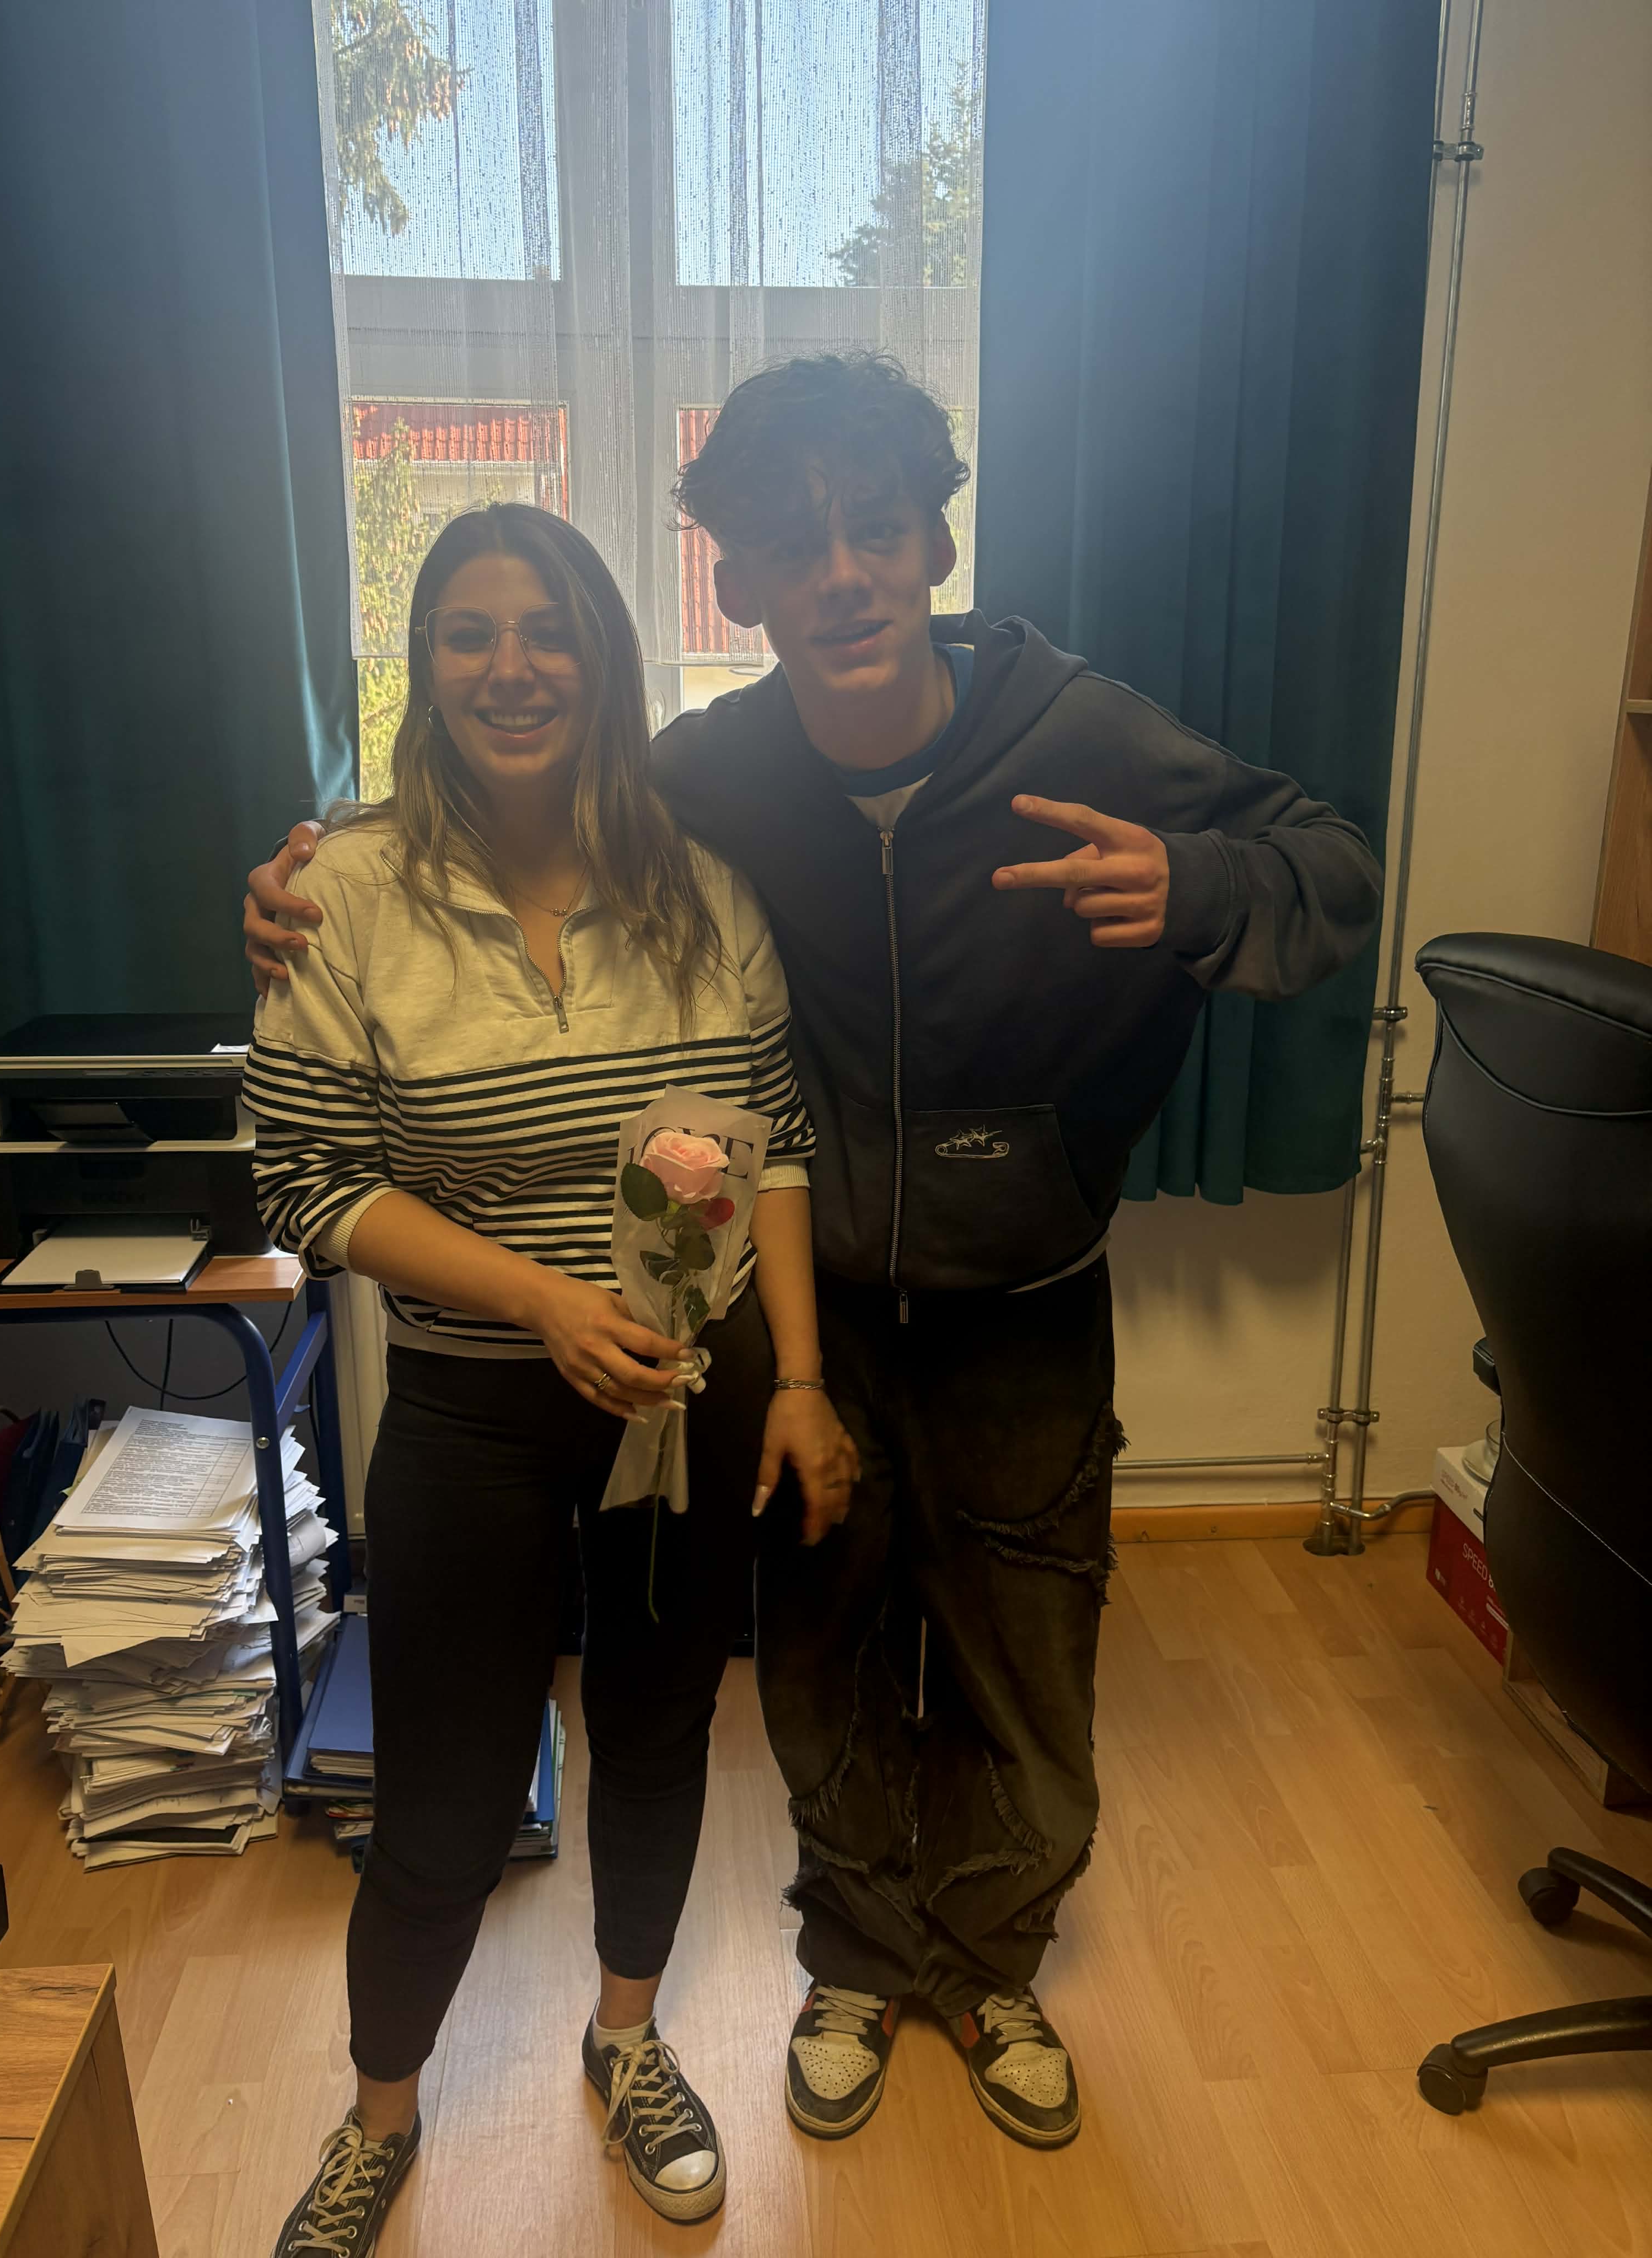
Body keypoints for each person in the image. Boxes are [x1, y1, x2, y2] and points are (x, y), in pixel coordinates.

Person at [246, 354, 1382, 2156]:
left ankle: (987, 1965)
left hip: (1019, 1299)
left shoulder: (1073, 732)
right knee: (823, 1661)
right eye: (793, 544)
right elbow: (505, 827)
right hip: (801, 1315)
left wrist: (1203, 889)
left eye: (874, 530)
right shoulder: (708, 780)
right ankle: (850, 1961)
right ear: (739, 584)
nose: (841, 573)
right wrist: (308, 874)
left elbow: (1331, 865)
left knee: (1022, 1653)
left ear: (935, 542)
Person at [246, 501, 858, 2257]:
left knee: (657, 1736)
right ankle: (378, 2119)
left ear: (603, 659)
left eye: (548, 632)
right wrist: (541, 1302)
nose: (511, 668)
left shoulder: (700, 882)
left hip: (687, 1395)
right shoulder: (340, 897)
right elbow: (306, 1181)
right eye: (470, 633)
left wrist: (799, 1378)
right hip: (470, 1412)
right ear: (426, 667)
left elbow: (778, 1138)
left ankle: (628, 2041)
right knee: (441, 1798)